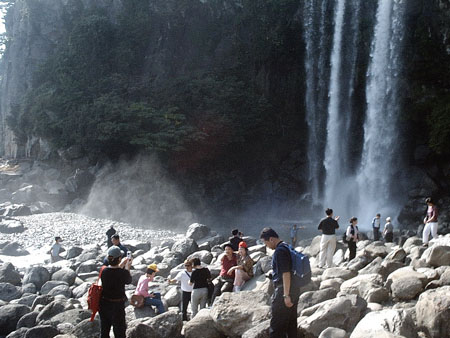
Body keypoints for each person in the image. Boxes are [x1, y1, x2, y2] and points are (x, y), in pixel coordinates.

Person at [260, 227, 300, 338]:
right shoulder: (287, 246)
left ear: (271, 239)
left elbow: (286, 273)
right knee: (291, 324)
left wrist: (286, 296)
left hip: (284, 290)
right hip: (294, 289)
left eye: (266, 242)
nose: (266, 245)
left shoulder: (279, 251)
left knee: (276, 327)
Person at [99, 245, 132, 338]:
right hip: (117, 306)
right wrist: (127, 266)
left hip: (104, 304)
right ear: (119, 259)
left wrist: (121, 264)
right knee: (120, 333)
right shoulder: (123, 273)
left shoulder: (104, 271)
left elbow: (114, 270)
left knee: (104, 332)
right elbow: (128, 280)